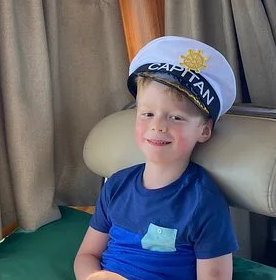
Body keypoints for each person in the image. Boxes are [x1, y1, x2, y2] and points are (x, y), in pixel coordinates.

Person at [74, 36, 239, 280]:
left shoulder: (204, 202)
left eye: (176, 117)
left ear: (204, 130)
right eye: (147, 114)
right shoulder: (116, 186)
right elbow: (86, 255)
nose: (158, 126)